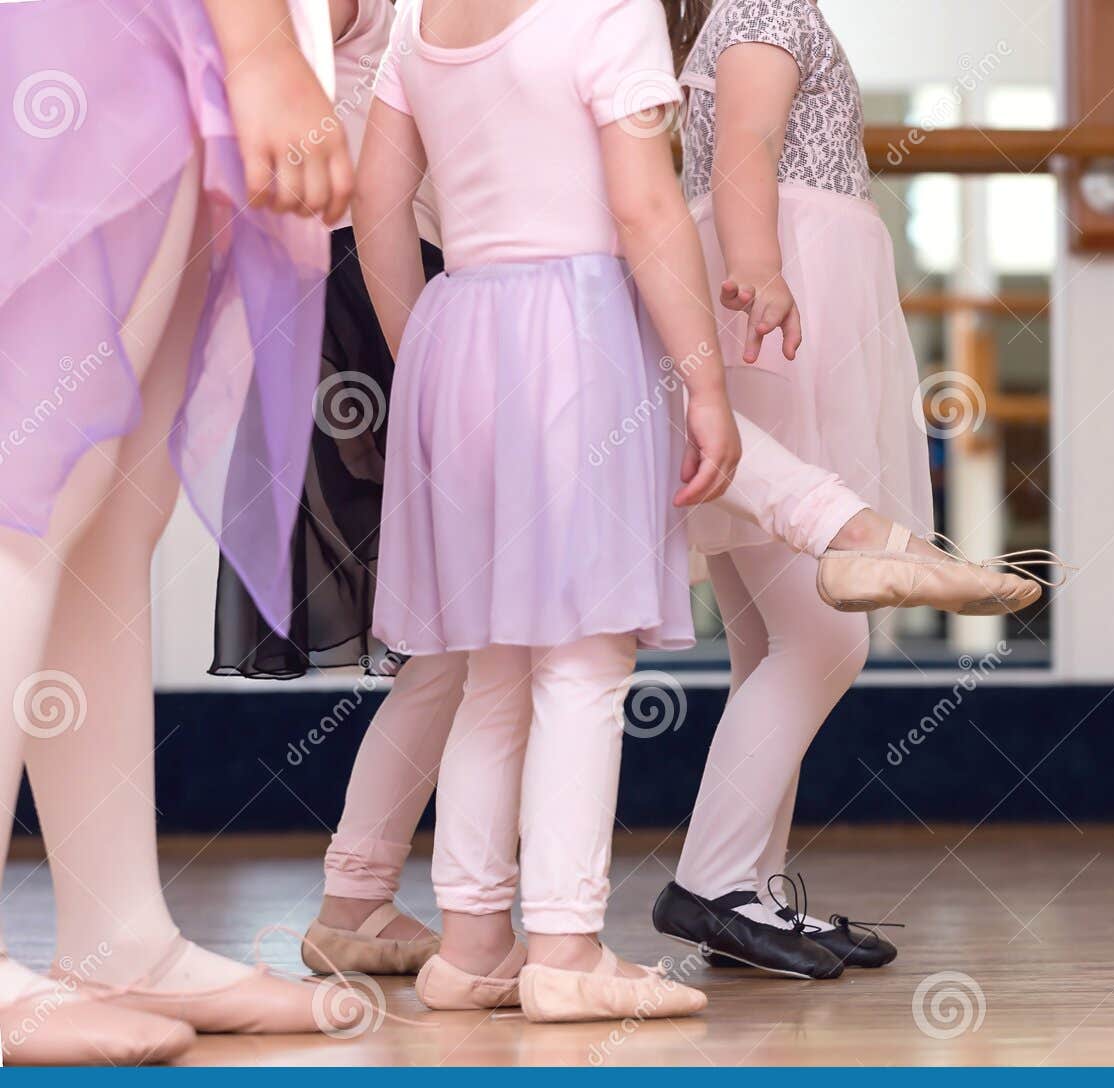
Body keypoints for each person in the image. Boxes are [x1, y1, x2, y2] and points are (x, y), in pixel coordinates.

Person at [259, 0, 1040, 985]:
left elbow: (379, 210)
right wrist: (703, 380)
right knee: (582, 665)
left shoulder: (423, 29)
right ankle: (568, 951)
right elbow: (645, 207)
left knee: (491, 675)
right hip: (575, 320)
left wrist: (427, 356)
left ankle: (470, 952)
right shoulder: (610, 14)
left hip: (460, 317)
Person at [647, 0, 1061, 980]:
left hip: (776, 287)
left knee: (771, 635)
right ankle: (713, 880)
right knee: (825, 631)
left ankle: (745, 886)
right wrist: (757, 262)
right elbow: (748, 134)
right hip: (786, 299)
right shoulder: (761, 6)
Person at [0, 0, 365, 1064]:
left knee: (109, 516)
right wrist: (259, 49)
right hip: (121, 35)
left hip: (161, 40)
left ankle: (121, 934)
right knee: (31, 483)